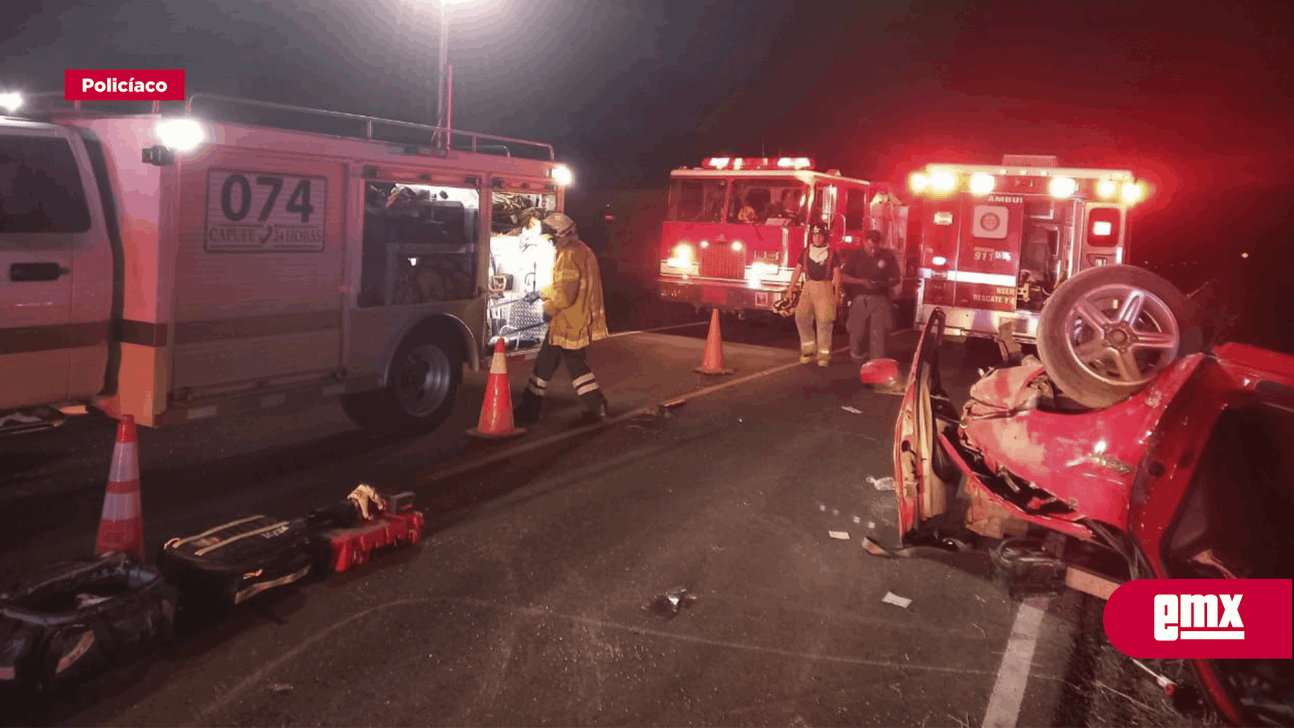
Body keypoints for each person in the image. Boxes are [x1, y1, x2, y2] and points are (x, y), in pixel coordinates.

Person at [514, 212, 611, 425]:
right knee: (574, 365)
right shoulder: (581, 250)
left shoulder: (568, 255)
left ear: (560, 235)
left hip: (566, 321)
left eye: (551, 237)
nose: (549, 241)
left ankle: (530, 410)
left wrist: (547, 308)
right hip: (575, 319)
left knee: (546, 365)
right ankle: (597, 407)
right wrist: (540, 293)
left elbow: (565, 294)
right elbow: (563, 286)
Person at [782, 220, 842, 366]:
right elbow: (797, 269)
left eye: (820, 235)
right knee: (801, 316)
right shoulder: (806, 252)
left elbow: (837, 274)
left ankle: (823, 355)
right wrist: (790, 288)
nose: (817, 238)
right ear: (811, 237)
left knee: (825, 321)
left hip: (825, 287)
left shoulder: (832, 254)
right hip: (808, 286)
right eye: (815, 235)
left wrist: (836, 291)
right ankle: (808, 350)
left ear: (825, 237)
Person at [841, 229, 900, 364]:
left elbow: (896, 278)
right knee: (857, 332)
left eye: (876, 246)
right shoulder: (855, 255)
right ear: (864, 242)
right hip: (859, 299)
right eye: (870, 246)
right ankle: (857, 357)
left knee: (878, 334)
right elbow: (843, 277)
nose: (873, 250)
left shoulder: (887, 256)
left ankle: (876, 365)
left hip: (880, 299)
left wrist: (884, 283)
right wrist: (862, 282)